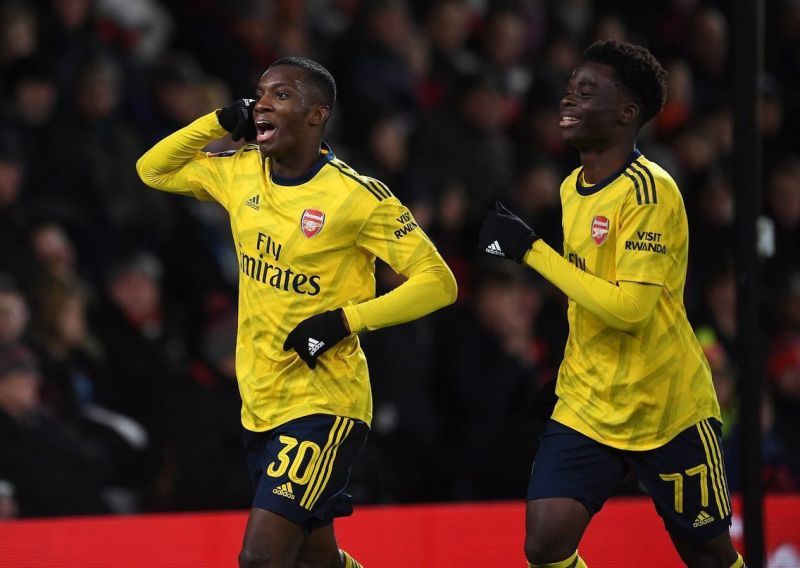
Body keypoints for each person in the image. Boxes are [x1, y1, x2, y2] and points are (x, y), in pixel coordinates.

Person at [136, 56, 457, 568]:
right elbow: (152, 169)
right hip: (260, 402)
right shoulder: (241, 172)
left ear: (316, 115)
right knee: (317, 559)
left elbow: (439, 284)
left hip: (325, 404)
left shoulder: (358, 197)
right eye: (260, 93)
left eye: (282, 95)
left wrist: (345, 320)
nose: (263, 103)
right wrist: (218, 122)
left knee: (261, 558)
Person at [477, 39, 746, 568]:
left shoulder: (650, 192)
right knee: (545, 545)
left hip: (666, 407)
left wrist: (530, 249)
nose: (567, 101)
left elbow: (630, 310)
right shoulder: (571, 187)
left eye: (586, 92)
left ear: (627, 112)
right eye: (569, 89)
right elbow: (586, 289)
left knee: (708, 554)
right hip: (589, 402)